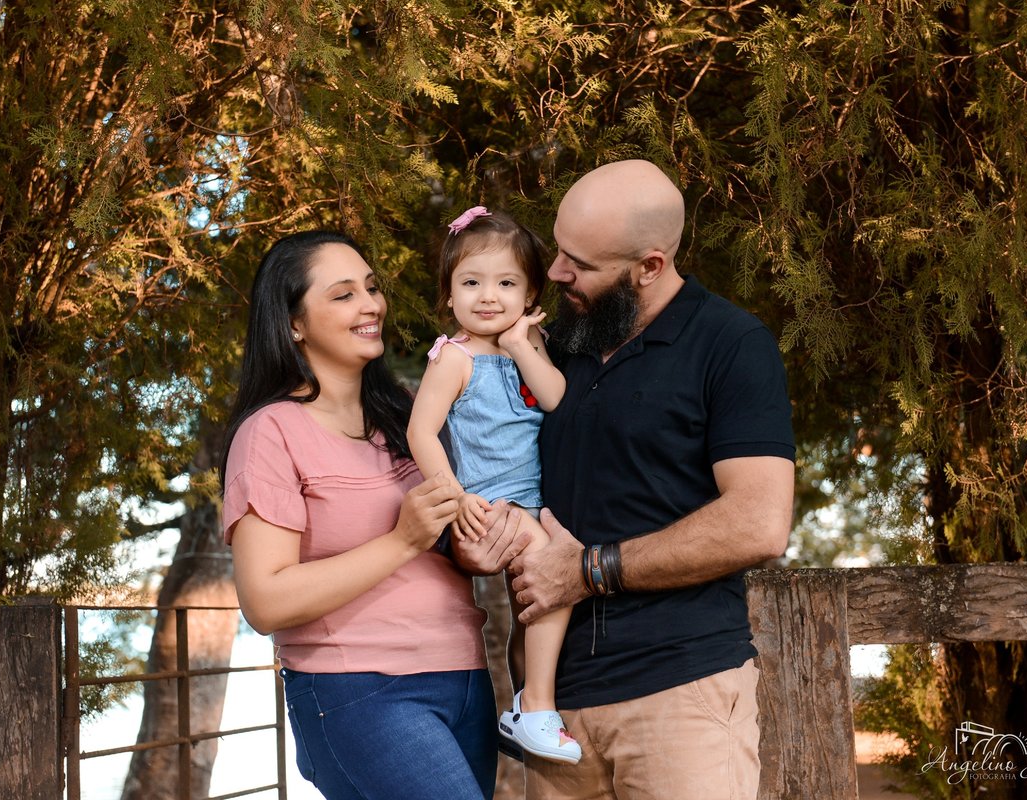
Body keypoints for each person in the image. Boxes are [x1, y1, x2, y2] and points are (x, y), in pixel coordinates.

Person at [456, 160, 796, 800]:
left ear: (649, 266)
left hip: (680, 697)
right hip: (551, 715)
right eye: (559, 249)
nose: (557, 272)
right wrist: (474, 544)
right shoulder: (549, 343)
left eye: (580, 263)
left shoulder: (730, 344)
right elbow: (490, 466)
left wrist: (589, 570)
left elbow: (758, 523)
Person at [221, 230, 499, 800]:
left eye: (372, 288)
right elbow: (265, 602)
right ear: (293, 323)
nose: (371, 304)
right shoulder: (270, 432)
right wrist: (402, 540)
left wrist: (475, 545)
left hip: (466, 677)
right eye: (344, 294)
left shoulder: (414, 417)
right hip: (359, 689)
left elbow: (452, 547)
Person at [407, 207, 581, 765]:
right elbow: (420, 431)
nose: (488, 296)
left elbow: (554, 396)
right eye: (471, 283)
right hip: (489, 505)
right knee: (553, 577)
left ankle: (522, 706)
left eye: (506, 283)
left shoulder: (529, 344)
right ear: (449, 294)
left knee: (528, 606)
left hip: (533, 499)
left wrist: (523, 344)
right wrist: (454, 497)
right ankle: (538, 708)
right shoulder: (453, 359)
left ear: (531, 294)